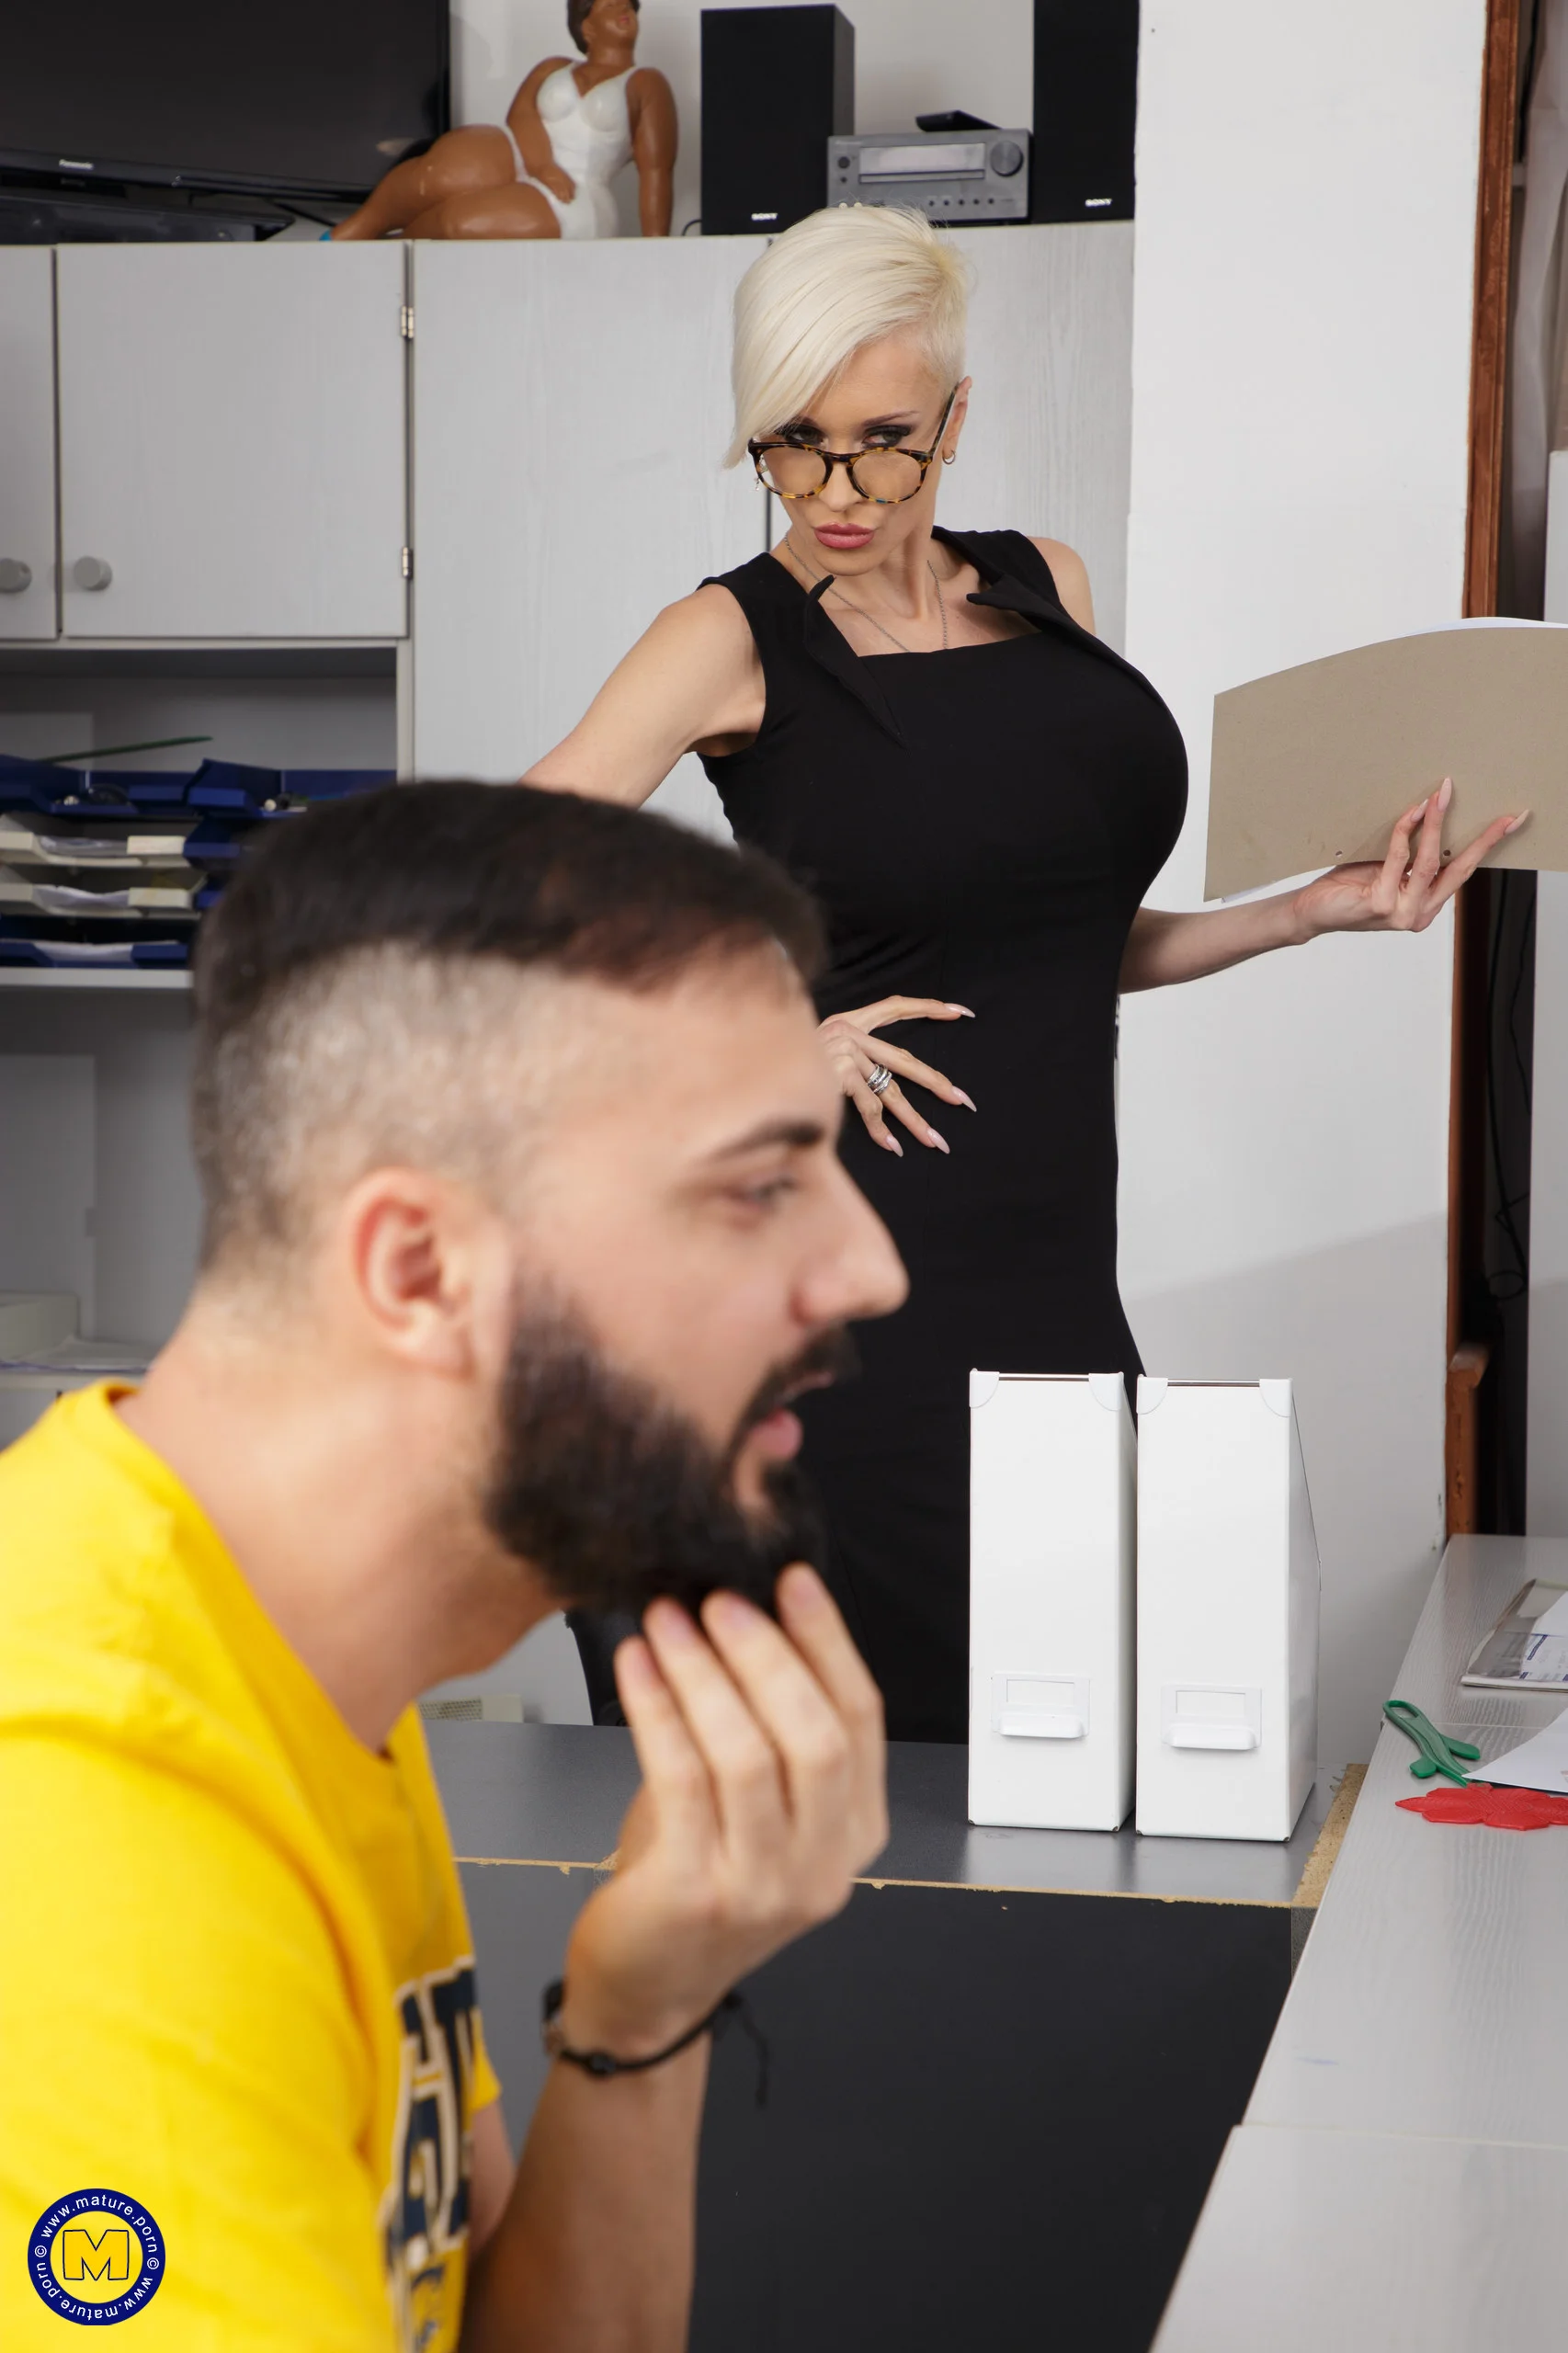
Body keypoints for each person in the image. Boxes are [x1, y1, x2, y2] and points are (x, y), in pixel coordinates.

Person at [524, 203, 1522, 1743]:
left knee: (1071, 1747)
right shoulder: (728, 637)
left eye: (883, 443)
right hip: (842, 1309)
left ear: (956, 417)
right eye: (794, 445)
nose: (836, 492)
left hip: (1050, 1286)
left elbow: (1048, 949)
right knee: (898, 1785)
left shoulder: (1046, 588)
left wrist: (1300, 914)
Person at [0, 784, 903, 2350]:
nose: (868, 1269)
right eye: (759, 1186)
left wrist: (644, 2013)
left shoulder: (293, 1642)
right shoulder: (93, 1814)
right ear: (418, 1270)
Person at [333, 0, 676, 244]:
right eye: (610, 5)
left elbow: (657, 171)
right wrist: (542, 166)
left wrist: (658, 252)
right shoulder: (554, 67)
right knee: (443, 171)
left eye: (627, 4)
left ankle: (393, 248)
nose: (623, 8)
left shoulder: (646, 83)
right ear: (587, 27)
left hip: (577, 195)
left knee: (459, 221)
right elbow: (521, 115)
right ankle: (354, 231)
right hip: (527, 158)